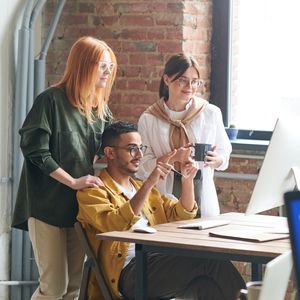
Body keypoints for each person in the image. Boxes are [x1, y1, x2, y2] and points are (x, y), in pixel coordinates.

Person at [77, 121, 245, 300]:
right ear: (110, 153)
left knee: (205, 286)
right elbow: (114, 225)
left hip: (156, 261)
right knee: (210, 259)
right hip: (129, 273)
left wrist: (187, 182)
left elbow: (180, 215)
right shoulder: (94, 191)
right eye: (132, 149)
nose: (140, 155)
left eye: (141, 148)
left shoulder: (140, 187)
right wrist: (150, 182)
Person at [11, 36, 117, 299]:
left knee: (73, 288)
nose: (108, 71)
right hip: (45, 205)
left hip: (78, 208)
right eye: (102, 65)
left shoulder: (101, 111)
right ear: (84, 65)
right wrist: (72, 181)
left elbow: (106, 151)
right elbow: (35, 151)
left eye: (110, 66)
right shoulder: (50, 100)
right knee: (53, 287)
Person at [137, 53, 232, 217]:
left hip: (203, 194)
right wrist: (173, 158)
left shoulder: (210, 113)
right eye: (182, 80)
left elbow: (224, 152)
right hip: (163, 199)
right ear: (167, 80)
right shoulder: (149, 118)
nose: (189, 86)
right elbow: (143, 166)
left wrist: (218, 159)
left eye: (195, 81)